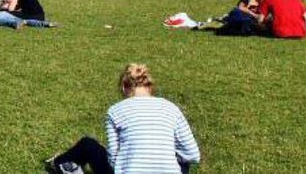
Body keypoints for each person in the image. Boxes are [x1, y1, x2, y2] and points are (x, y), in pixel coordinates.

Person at [45, 64, 201, 174]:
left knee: (88, 144)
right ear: (150, 86)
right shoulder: (171, 108)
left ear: (124, 87)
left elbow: (113, 160)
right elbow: (193, 154)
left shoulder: (115, 111)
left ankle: (58, 163)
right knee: (182, 161)